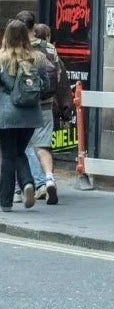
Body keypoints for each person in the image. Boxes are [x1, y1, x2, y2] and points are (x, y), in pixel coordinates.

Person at [0, 19, 46, 212]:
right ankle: (28, 183)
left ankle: (6, 201)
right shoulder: (37, 58)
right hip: (31, 115)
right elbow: (44, 84)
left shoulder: (2, 58)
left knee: (9, 156)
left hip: (7, 115)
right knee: (20, 152)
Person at [28, 23, 71, 205]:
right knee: (43, 146)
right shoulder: (51, 51)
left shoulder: (16, 48)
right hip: (47, 105)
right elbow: (61, 82)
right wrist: (66, 112)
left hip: (25, 105)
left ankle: (36, 184)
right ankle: (48, 179)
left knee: (26, 146)